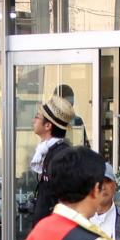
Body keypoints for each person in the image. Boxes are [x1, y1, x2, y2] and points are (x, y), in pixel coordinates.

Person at [30, 94, 74, 226]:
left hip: (53, 229)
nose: (33, 120)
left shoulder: (61, 156)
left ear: (48, 125)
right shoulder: (49, 151)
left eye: (37, 117)